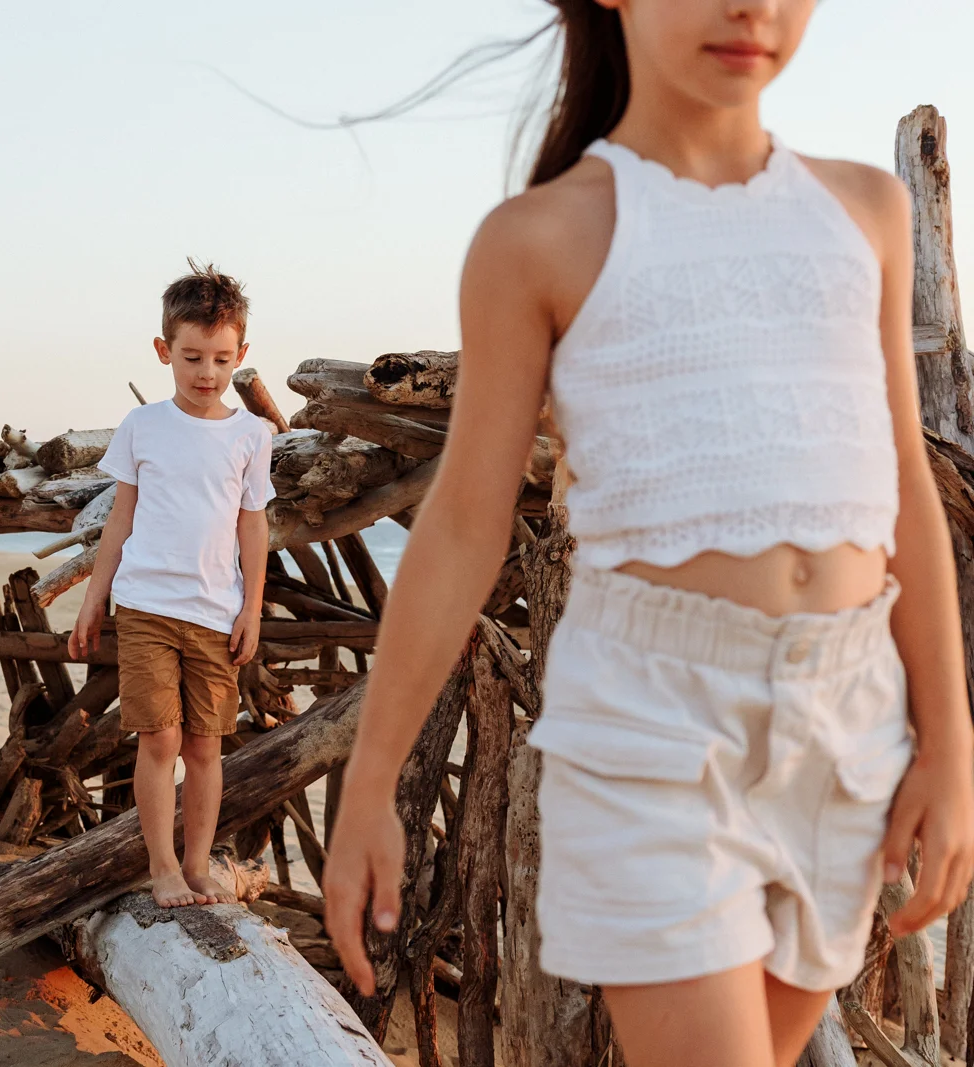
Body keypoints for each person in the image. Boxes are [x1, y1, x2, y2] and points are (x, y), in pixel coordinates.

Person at [322, 3, 974, 1066]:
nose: (749, 7)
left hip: (848, 720)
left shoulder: (865, 211)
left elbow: (902, 485)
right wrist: (368, 780)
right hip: (654, 720)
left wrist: (949, 742)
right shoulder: (539, 239)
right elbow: (460, 526)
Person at [68, 261, 275, 908]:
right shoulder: (143, 427)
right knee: (158, 739)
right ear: (165, 351)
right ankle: (160, 866)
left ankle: (195, 866)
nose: (206, 373)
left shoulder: (251, 434)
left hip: (216, 613)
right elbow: (120, 517)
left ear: (241, 354)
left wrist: (253, 609)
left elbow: (253, 526)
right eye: (191, 357)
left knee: (205, 745)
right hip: (146, 606)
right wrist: (93, 596)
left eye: (219, 358)